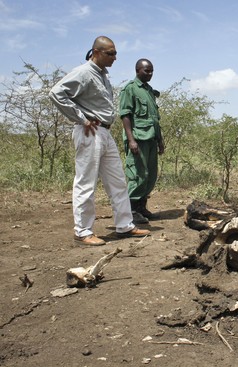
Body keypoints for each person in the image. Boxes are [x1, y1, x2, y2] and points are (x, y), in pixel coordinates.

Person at [49, 36, 150, 246]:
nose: (115, 57)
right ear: (96, 52)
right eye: (110, 53)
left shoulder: (102, 75)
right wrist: (81, 118)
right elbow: (57, 93)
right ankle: (83, 231)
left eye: (115, 53)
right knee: (86, 183)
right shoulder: (84, 72)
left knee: (118, 181)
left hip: (105, 132)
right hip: (90, 131)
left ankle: (125, 225)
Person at [118, 59, 165, 222]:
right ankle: (130, 211)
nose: (150, 74)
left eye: (152, 71)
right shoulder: (130, 89)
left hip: (151, 138)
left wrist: (160, 140)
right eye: (146, 71)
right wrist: (131, 140)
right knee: (138, 174)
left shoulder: (149, 91)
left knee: (150, 175)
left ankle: (141, 208)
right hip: (138, 138)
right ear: (138, 70)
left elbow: (155, 119)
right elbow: (125, 115)